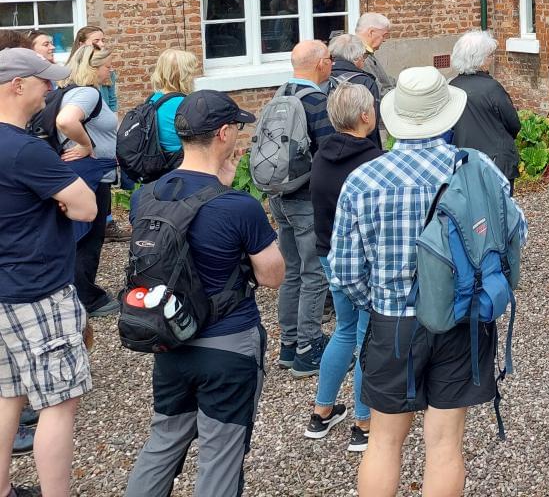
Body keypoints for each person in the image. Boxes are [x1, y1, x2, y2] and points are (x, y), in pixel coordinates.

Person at [329, 67, 527, 497]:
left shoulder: (363, 180)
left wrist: (379, 301)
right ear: (447, 116)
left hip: (393, 323)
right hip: (460, 318)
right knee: (445, 445)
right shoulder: (478, 169)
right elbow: (516, 233)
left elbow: (344, 271)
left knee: (383, 442)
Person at [123, 91, 285, 497]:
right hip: (229, 345)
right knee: (220, 455)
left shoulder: (145, 196)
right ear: (224, 133)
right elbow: (272, 276)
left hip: (169, 338)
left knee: (163, 443)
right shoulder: (238, 206)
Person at [0, 49, 98, 497]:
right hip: (37, 290)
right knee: (59, 404)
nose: (50, 89)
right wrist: (59, 199)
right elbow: (86, 207)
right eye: (43, 81)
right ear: (17, 85)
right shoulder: (25, 150)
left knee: (8, 395)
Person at [306, 81, 385, 452]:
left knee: (344, 329)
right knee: (368, 336)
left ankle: (321, 411)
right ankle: (363, 422)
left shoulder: (322, 156)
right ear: (365, 116)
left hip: (329, 254)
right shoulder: (372, 162)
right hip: (363, 259)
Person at [270, 40, 336, 377]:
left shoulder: (279, 95)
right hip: (305, 198)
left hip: (279, 194)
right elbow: (329, 153)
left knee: (292, 271)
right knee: (314, 273)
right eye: (330, 59)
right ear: (321, 64)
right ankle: (309, 348)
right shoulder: (317, 102)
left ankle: (289, 343)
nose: (332, 64)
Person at [57, 44, 120, 318]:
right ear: (92, 68)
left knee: (80, 235)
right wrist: (86, 144)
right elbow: (66, 121)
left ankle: (76, 294)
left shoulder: (70, 92)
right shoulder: (87, 93)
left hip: (84, 173)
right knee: (89, 236)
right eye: (107, 65)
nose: (111, 70)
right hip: (91, 174)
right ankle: (87, 299)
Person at [449, 30, 520, 182]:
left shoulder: (452, 87)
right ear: (479, 60)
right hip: (496, 161)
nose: (492, 59)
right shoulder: (492, 88)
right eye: (490, 55)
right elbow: (513, 124)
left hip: (464, 159)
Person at [329, 33, 383, 145]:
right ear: (357, 58)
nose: (363, 60)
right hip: (362, 146)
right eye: (363, 56)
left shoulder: (323, 77)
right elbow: (372, 123)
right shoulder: (366, 82)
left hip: (331, 145)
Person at [147, 49, 201, 158]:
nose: (193, 77)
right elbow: (201, 140)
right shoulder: (186, 104)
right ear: (183, 76)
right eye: (190, 73)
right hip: (181, 161)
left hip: (158, 160)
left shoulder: (153, 98)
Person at [354, 13, 395, 93]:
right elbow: (378, 92)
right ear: (371, 32)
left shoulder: (365, 51)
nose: (384, 40)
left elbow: (385, 79)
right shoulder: (360, 56)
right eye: (384, 35)